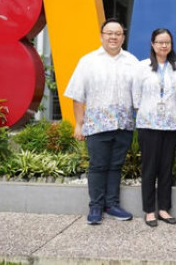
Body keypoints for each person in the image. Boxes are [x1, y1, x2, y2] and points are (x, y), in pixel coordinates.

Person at [65, 18, 138, 225]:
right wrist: (79, 124)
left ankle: (112, 204)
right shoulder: (88, 61)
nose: (113, 37)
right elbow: (78, 95)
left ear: (123, 37)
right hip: (97, 125)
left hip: (123, 125)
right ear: (101, 36)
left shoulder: (132, 62)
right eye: (109, 33)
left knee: (116, 166)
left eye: (118, 33)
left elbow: (138, 95)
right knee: (97, 165)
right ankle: (95, 206)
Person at [134, 28, 176, 227]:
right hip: (148, 123)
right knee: (149, 168)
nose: (164, 46)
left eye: (167, 42)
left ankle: (164, 209)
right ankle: (149, 210)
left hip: (171, 124)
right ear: (153, 44)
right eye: (160, 42)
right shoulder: (142, 67)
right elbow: (136, 96)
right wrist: (146, 112)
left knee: (166, 168)